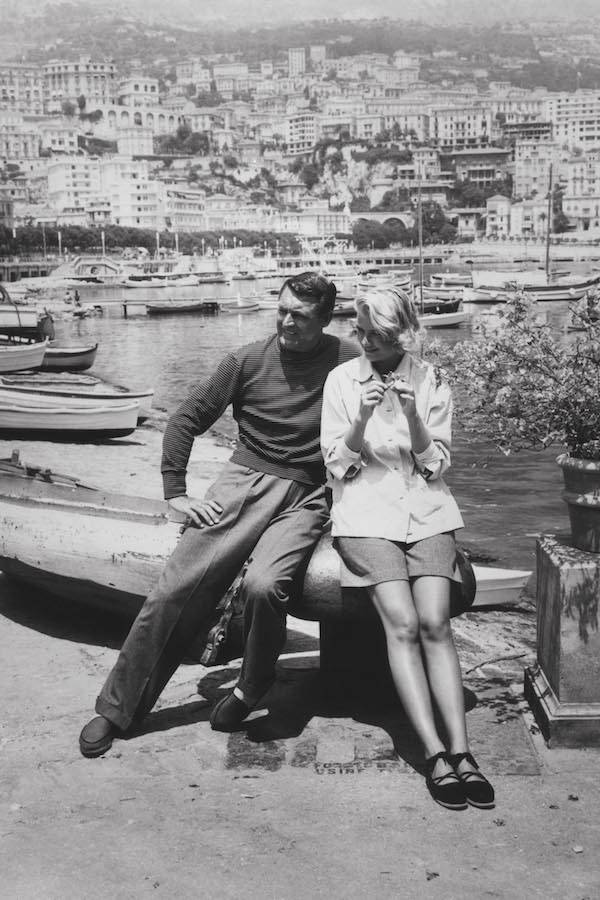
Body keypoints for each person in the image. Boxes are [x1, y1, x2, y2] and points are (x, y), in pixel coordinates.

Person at [79, 271, 357, 757]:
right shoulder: (245, 360)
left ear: (326, 318)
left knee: (264, 587)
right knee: (174, 590)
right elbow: (186, 419)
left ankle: (252, 685)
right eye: (283, 310)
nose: (287, 322)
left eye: (301, 316)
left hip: (309, 495)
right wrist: (176, 493)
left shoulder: (347, 361)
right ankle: (117, 709)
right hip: (242, 484)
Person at [320, 287, 495, 811]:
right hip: (366, 515)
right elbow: (336, 465)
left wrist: (415, 417)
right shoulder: (341, 381)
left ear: (404, 334)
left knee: (436, 622)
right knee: (402, 623)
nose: (370, 343)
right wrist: (362, 421)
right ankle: (435, 754)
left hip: (426, 512)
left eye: (382, 335)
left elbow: (437, 466)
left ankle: (464, 753)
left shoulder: (432, 379)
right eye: (363, 333)